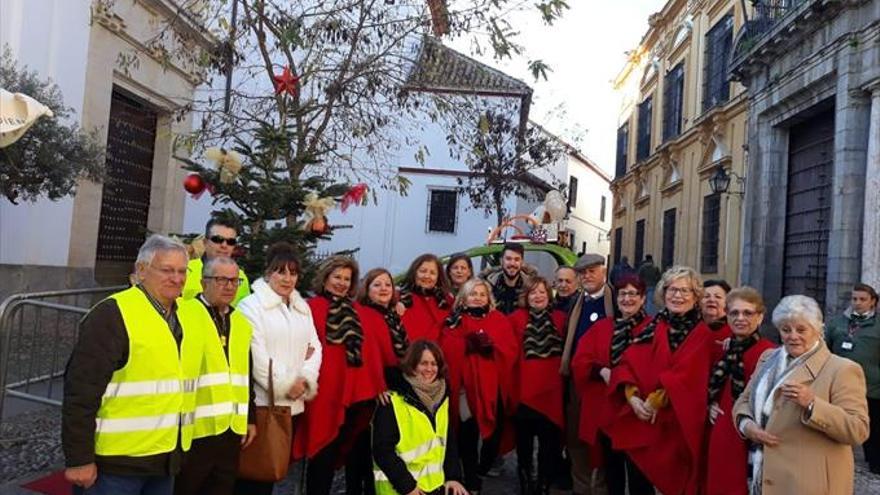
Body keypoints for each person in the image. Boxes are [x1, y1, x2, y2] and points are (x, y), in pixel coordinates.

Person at [63, 235, 205, 495]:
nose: (177, 278)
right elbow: (80, 392)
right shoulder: (113, 314)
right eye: (167, 270)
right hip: (116, 465)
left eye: (182, 271)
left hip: (164, 459)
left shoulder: (183, 315)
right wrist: (79, 459)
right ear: (141, 270)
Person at [733, 295, 869, 495]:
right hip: (764, 475)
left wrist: (812, 404)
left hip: (811, 484)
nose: (792, 336)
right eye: (786, 330)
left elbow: (857, 430)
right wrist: (747, 425)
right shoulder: (768, 358)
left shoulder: (842, 369)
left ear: (818, 330)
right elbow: (744, 401)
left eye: (801, 329)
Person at [606, 266, 714, 495]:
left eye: (685, 291)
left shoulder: (702, 333)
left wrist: (657, 399)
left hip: (676, 426)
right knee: (639, 486)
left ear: (696, 297)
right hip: (643, 419)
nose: (677, 295)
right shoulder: (652, 327)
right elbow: (628, 362)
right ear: (663, 294)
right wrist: (631, 396)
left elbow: (690, 376)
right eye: (672, 289)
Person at [235, 242, 322, 495]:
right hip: (264, 405)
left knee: (275, 472)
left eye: (293, 273)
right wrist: (288, 383)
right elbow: (257, 357)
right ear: (268, 272)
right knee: (254, 474)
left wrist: (305, 380)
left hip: (292, 406)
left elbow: (315, 348)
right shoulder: (251, 306)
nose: (287, 278)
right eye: (280, 271)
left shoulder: (301, 307)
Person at [296, 256, 385, 495]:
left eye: (347, 279)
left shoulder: (359, 311)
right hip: (321, 394)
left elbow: (372, 351)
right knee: (320, 455)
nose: (342, 283)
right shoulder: (308, 308)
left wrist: (375, 385)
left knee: (347, 454)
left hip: (354, 396)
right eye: (337, 277)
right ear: (325, 278)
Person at [175, 257, 257, 495]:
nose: (229, 286)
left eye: (234, 280)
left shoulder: (240, 321)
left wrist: (250, 417)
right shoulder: (184, 313)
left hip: (231, 430)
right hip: (194, 431)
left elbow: (246, 372)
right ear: (203, 282)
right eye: (221, 279)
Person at [571, 274, 653, 495]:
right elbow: (580, 360)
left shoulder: (653, 328)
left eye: (633, 294)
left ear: (643, 298)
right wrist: (602, 370)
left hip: (637, 412)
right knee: (612, 472)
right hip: (607, 411)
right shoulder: (603, 328)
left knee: (640, 475)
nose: (627, 299)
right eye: (623, 294)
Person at [439, 279, 518, 493]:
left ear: (488, 297)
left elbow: (510, 350)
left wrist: (491, 348)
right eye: (473, 294)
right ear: (463, 298)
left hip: (494, 390)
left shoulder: (498, 319)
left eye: (482, 294)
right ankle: (472, 479)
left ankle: (482, 469)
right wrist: (466, 345)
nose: (478, 297)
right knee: (467, 435)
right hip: (466, 390)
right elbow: (445, 349)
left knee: (494, 436)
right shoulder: (454, 320)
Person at [703, 287, 775, 495]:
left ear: (760, 317)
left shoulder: (769, 354)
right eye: (734, 313)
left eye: (748, 313)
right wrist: (711, 404)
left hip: (749, 437)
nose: (740, 318)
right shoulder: (725, 349)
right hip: (720, 434)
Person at [372, 340, 468, 495]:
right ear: (412, 365)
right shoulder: (392, 401)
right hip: (401, 489)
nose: (429, 369)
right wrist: (408, 487)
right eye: (423, 363)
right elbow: (382, 451)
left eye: (434, 364)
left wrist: (453, 477)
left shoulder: (442, 396)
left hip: (435, 486)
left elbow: (447, 440)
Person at [559, 252, 614, 495]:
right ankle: (581, 487)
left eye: (593, 270)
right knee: (576, 439)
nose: (587, 276)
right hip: (577, 382)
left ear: (604, 271)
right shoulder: (577, 302)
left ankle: (602, 488)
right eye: (583, 272)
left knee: (603, 441)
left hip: (604, 384)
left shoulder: (616, 301)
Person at [508, 277, 566, 494]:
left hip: (551, 392)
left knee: (548, 446)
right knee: (524, 446)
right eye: (533, 293)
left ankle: (543, 486)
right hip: (524, 392)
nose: (538, 296)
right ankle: (525, 484)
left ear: (549, 295)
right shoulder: (515, 319)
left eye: (542, 292)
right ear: (526, 296)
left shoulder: (561, 318)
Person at [825, 283, 880, 474]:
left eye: (863, 299)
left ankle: (874, 463)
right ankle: (837, 462)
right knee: (839, 423)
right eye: (854, 299)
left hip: (872, 386)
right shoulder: (837, 323)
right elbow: (826, 349)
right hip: (841, 386)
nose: (858, 303)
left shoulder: (878, 325)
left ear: (873, 301)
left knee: (873, 427)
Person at [183, 218, 250, 304]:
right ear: (205, 242)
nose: (224, 245)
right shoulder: (184, 271)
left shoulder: (241, 278)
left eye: (230, 241)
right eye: (217, 240)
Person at [358, 268, 410, 369]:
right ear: (367, 289)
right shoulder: (364, 315)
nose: (383, 288)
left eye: (388, 285)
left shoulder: (396, 315)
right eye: (377, 285)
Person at [398, 254, 453, 342]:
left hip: (438, 353)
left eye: (432, 273)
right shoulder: (399, 297)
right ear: (414, 272)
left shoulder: (447, 301)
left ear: (438, 277)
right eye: (423, 271)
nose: (427, 276)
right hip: (409, 353)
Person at [483, 242, 535, 315]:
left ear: (522, 262)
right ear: (501, 261)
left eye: (516, 259)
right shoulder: (487, 286)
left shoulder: (531, 287)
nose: (512, 263)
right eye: (508, 259)